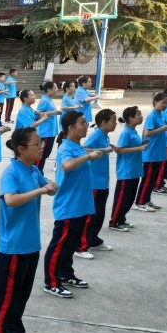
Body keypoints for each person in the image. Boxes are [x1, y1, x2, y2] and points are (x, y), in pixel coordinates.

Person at [0, 127, 58, 333]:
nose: (41, 147)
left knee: (21, 294)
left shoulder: (32, 170)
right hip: (13, 247)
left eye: (41, 143)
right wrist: (40, 190)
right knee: (6, 297)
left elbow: (46, 186)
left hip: (30, 244)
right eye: (36, 144)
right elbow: (10, 200)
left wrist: (49, 186)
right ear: (21, 149)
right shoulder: (12, 173)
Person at [42, 111, 103, 297]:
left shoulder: (77, 146)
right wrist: (89, 157)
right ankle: (51, 282)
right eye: (82, 123)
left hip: (81, 205)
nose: (86, 126)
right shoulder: (65, 148)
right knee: (59, 245)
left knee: (71, 244)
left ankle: (66, 274)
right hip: (68, 206)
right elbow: (67, 166)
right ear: (70, 128)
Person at [75, 108, 117, 258]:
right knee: (90, 215)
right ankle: (80, 246)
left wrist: (107, 148)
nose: (116, 124)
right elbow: (84, 148)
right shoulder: (97, 134)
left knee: (99, 214)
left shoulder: (104, 135)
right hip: (94, 182)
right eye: (113, 121)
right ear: (103, 123)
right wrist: (104, 149)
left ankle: (93, 239)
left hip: (102, 181)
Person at [135, 92, 167, 212]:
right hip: (151, 153)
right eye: (163, 102)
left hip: (157, 152)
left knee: (153, 179)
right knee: (147, 179)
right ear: (155, 102)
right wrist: (166, 128)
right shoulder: (152, 115)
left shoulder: (159, 114)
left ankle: (147, 200)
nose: (166, 105)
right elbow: (147, 133)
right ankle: (140, 202)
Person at [108, 107, 148, 230]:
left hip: (135, 169)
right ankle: (114, 222)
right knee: (122, 198)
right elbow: (120, 150)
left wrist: (143, 144)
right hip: (127, 170)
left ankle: (121, 219)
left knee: (130, 198)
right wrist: (139, 148)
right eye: (139, 115)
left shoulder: (133, 131)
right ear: (130, 118)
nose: (141, 117)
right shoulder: (125, 133)